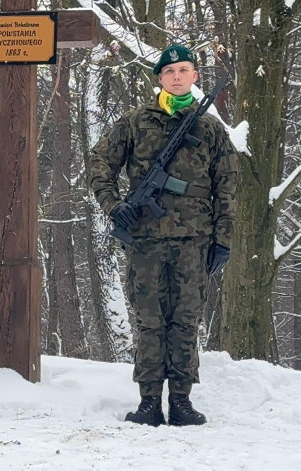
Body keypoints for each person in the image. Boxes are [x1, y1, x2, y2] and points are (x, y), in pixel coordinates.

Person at [89, 44, 238, 427]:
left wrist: (224, 238)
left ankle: (182, 401)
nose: (176, 76)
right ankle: (149, 401)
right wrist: (113, 204)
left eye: (183, 70)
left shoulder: (209, 128)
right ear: (159, 78)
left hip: (194, 239)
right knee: (150, 321)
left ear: (194, 77)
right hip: (145, 239)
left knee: (186, 319)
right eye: (169, 71)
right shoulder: (136, 121)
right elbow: (101, 161)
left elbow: (227, 185)